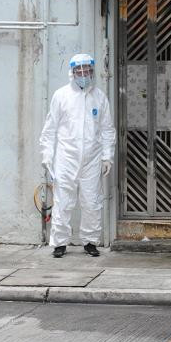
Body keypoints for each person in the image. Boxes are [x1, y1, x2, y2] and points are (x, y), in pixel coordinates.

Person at [39, 53, 116, 258]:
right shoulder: (61, 96)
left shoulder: (99, 97)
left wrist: (107, 156)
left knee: (92, 202)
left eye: (87, 70)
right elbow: (50, 129)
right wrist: (47, 155)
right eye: (79, 71)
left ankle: (90, 241)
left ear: (92, 71)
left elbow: (107, 129)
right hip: (66, 158)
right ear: (72, 73)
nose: (84, 74)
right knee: (63, 202)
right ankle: (59, 243)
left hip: (92, 159)